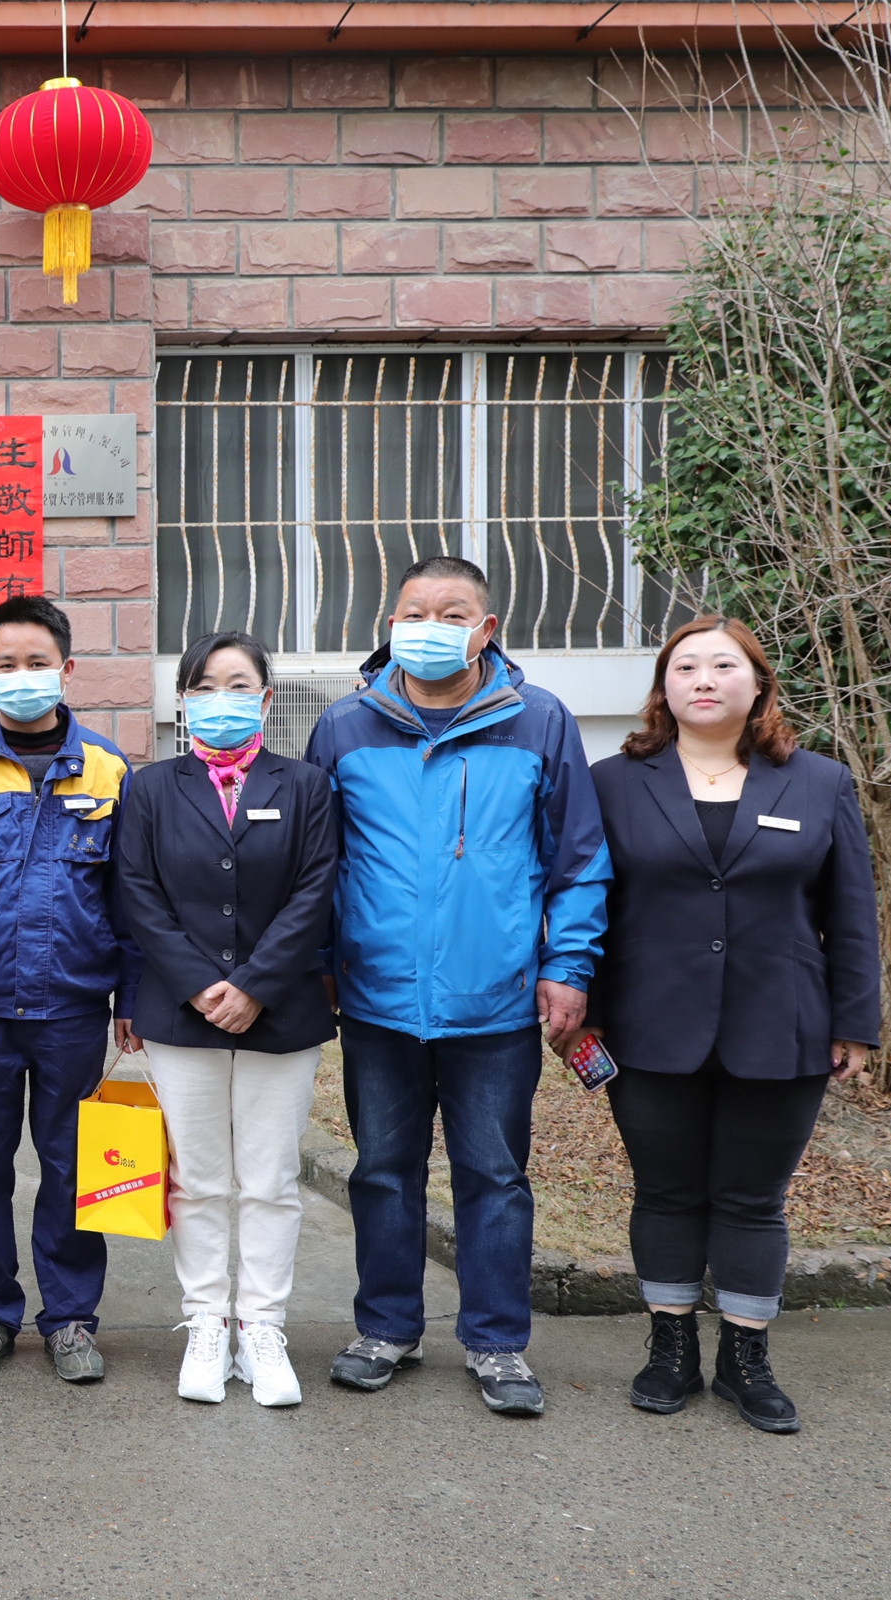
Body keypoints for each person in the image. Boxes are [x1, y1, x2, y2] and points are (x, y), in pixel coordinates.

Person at [304, 555, 610, 1417]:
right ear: (389, 623)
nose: (428, 627)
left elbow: (578, 860)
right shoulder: (345, 726)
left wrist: (567, 968)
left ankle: (497, 1341)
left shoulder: (538, 721)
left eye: (450, 613)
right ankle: (386, 1328)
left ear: (486, 630)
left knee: (495, 1176)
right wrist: (321, 967)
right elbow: (317, 863)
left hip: (495, 1002)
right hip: (377, 1000)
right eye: (413, 612)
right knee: (382, 1171)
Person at [587, 617, 879, 1434]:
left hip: (782, 1021)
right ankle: (670, 1346)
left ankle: (744, 1357)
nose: (704, 679)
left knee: (754, 1199)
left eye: (724, 665)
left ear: (758, 684)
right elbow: (586, 904)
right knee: (666, 1191)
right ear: (663, 687)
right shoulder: (613, 782)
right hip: (649, 1023)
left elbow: (852, 913)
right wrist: (586, 1015)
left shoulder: (818, 782)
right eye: (686, 667)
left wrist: (855, 1022)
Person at [115, 630, 338, 1408]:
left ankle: (262, 1328)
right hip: (183, 1014)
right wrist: (202, 984)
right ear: (183, 701)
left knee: (271, 1180)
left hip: (281, 1012)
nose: (222, 700)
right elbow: (136, 892)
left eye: (238, 685)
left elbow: (316, 890)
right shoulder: (151, 789)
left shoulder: (305, 785)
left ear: (266, 699)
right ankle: (207, 1321)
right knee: (200, 1179)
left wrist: (255, 986)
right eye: (205, 686)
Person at [0, 594, 141, 1386]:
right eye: (7, 664)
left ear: (67, 669)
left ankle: (71, 1317)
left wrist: (131, 999)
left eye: (38, 662)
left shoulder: (108, 769)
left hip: (73, 1012)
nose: (23, 676)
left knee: (74, 1169)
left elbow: (129, 897)